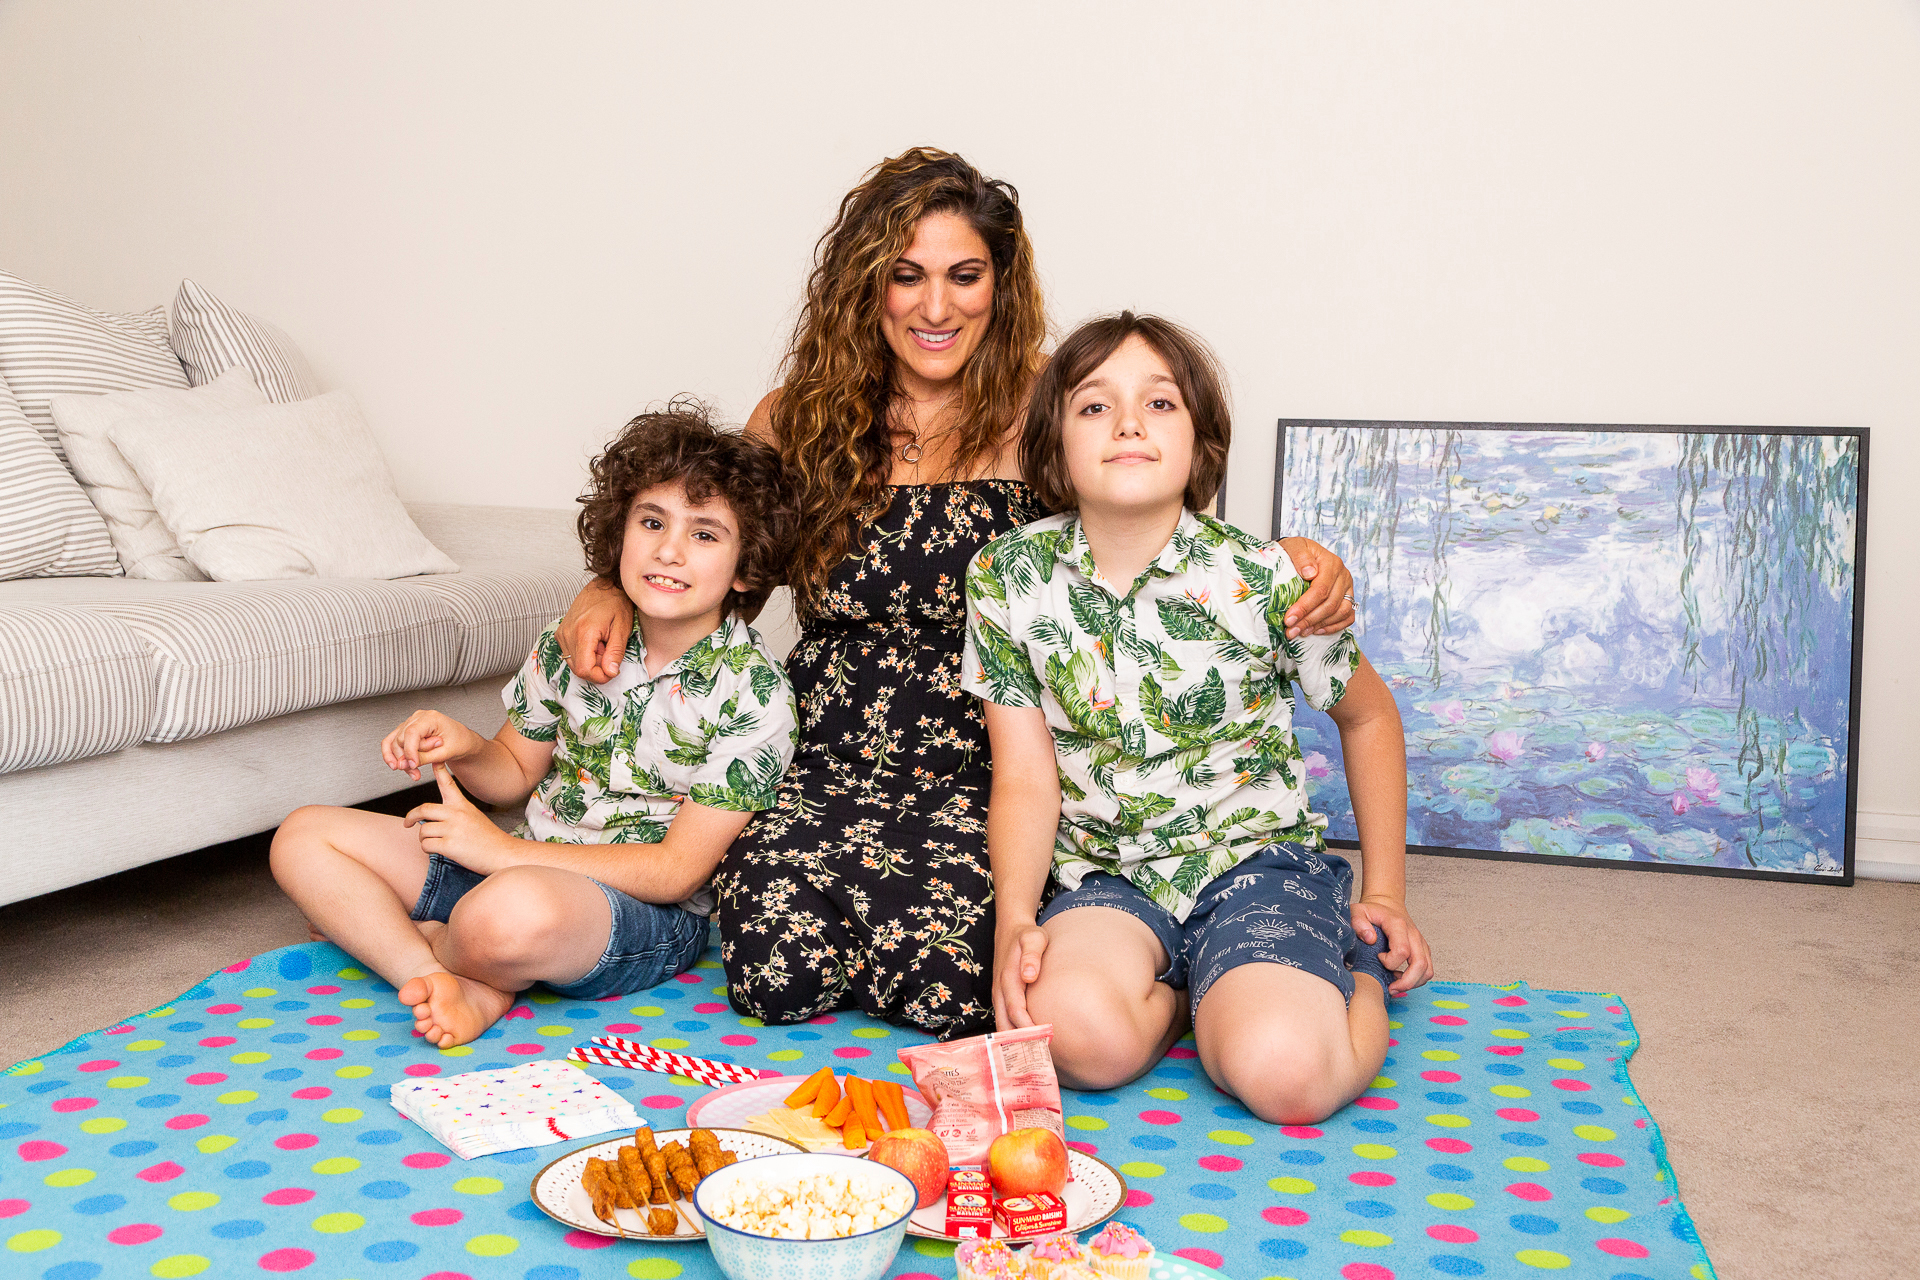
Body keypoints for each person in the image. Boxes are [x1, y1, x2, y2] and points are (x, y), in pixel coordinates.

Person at [555, 148, 1357, 1040]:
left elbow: (1157, 526)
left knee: (955, 988)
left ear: (999, 286)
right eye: (907, 277)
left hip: (997, 760)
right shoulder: (795, 415)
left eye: (964, 275)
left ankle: (1178, 977)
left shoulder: (1055, 401)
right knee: (773, 972)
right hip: (824, 753)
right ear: (867, 287)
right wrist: (607, 587)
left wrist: (1299, 557)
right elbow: (713, 547)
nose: (936, 307)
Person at [968, 312, 1434, 1123]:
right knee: (1065, 1038)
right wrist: (1015, 919)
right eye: (1093, 406)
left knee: (1288, 1076)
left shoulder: (1265, 575)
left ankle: (1331, 968)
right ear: (1052, 443)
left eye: (1160, 404)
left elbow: (1368, 718)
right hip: (1106, 876)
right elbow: (1025, 773)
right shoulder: (1007, 577)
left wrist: (1386, 895)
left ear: (1200, 441)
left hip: (1252, 861)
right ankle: (1193, 991)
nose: (1127, 425)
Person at [270, 405, 798, 1048]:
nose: (669, 550)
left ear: (747, 566)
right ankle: (433, 971)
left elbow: (675, 873)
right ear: (619, 533)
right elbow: (513, 773)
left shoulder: (756, 696)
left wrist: (499, 853)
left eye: (706, 535)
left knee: (507, 914)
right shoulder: (571, 640)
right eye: (652, 522)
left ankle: (449, 948)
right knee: (303, 836)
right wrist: (465, 747)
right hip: (513, 866)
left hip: (635, 913)